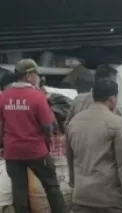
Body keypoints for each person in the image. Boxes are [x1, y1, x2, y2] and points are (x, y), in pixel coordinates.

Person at [66, 79, 122, 213]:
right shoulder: (116, 123)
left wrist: (74, 185)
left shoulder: (74, 122)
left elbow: (70, 158)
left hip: (81, 196)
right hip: (108, 199)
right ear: (112, 98)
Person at [0, 59, 65, 213]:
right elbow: (49, 126)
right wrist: (48, 137)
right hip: (36, 151)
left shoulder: (4, 96)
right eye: (36, 74)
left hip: (12, 152)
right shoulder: (37, 96)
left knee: (19, 188)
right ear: (29, 75)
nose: (38, 77)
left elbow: (1, 125)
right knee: (51, 184)